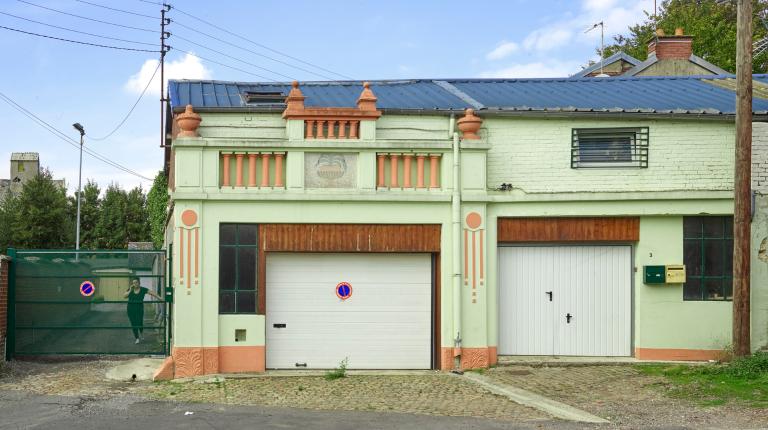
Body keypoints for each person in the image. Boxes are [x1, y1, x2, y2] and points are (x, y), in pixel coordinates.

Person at [124, 277, 161, 344]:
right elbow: (124, 296)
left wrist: (159, 297)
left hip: (139, 309)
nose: (135, 284)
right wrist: (129, 290)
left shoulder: (143, 289)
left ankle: (141, 332)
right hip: (130, 309)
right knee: (133, 324)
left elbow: (152, 293)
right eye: (133, 283)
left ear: (139, 283)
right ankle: (137, 338)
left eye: (136, 282)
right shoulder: (130, 289)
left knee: (139, 322)